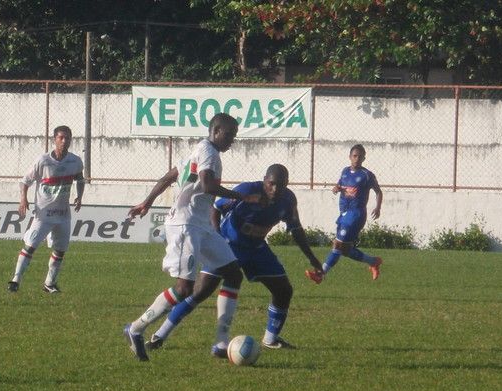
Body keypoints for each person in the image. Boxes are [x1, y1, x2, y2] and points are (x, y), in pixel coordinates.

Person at [123, 113, 260, 362]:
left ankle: (220, 342)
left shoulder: (196, 151)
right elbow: (207, 186)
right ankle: (136, 328)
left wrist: (147, 202)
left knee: (232, 273)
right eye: (229, 135)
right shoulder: (208, 152)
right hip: (186, 225)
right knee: (184, 288)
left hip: (201, 225)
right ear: (216, 131)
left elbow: (169, 177)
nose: (232, 140)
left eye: (234, 136)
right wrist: (243, 197)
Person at [206, 163, 324, 349]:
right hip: (230, 245)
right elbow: (216, 208)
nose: (276, 189)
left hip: (257, 248)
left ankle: (270, 339)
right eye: (272, 184)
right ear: (264, 181)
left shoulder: (288, 200)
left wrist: (311, 257)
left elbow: (296, 229)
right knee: (199, 290)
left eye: (281, 185)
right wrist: (217, 236)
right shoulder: (247, 190)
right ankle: (161, 334)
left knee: (283, 290)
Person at [7, 125, 84, 293]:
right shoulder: (43, 161)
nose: (64, 141)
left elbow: (80, 178)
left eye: (67, 138)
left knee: (60, 250)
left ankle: (49, 284)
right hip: (43, 215)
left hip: (63, 215)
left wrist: (79, 196)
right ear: (54, 140)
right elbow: (25, 181)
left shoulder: (75, 161)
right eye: (61, 138)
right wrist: (23, 199)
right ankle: (15, 280)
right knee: (30, 246)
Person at [306, 144, 383, 284]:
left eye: (360, 156)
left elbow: (378, 191)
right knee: (346, 250)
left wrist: (378, 207)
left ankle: (320, 274)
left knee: (337, 245)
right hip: (344, 213)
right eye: (354, 156)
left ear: (364, 158)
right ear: (350, 157)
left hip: (356, 214)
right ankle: (374, 262)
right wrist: (336, 188)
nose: (357, 159)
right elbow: (340, 185)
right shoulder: (345, 171)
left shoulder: (367, 175)